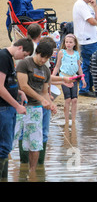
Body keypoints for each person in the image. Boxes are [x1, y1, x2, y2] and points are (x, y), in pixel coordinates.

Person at [14, 40, 54, 174]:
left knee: (35, 142)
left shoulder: (46, 71)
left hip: (36, 109)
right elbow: (23, 86)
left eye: (47, 58)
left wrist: (50, 104)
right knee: (14, 138)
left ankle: (32, 173)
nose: (44, 60)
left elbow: (44, 91)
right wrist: (42, 99)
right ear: (37, 53)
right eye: (42, 56)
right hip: (20, 106)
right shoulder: (25, 63)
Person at [0, 38, 34, 180]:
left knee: (5, 147)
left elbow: (8, 82)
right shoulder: (3, 57)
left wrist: (19, 92)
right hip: (4, 109)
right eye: (25, 55)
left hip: (8, 108)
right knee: (4, 148)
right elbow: (0, 87)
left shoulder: (9, 58)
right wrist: (17, 106)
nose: (24, 58)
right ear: (19, 48)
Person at [73, 0, 97, 97]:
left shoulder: (87, 6)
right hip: (86, 40)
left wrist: (95, 7)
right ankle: (85, 89)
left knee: (91, 64)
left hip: (92, 39)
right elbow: (92, 21)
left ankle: (88, 87)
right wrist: (95, 21)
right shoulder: (80, 5)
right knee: (88, 64)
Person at [52, 34, 86, 124]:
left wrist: (82, 78)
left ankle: (73, 120)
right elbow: (57, 66)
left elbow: (79, 67)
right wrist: (52, 78)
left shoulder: (76, 54)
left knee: (74, 99)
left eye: (70, 42)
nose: (68, 44)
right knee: (67, 99)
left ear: (74, 43)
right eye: (67, 42)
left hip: (74, 78)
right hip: (64, 77)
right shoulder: (61, 52)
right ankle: (66, 120)